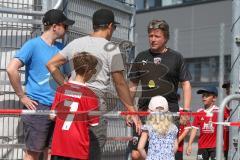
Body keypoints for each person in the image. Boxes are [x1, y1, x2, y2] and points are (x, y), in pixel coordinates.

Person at [46, 8, 141, 159]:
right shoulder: (112, 49)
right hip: (93, 103)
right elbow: (120, 83)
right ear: (110, 26)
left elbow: (51, 64)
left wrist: (65, 85)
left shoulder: (76, 43)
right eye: (114, 27)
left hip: (69, 102)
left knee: (66, 150)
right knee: (91, 151)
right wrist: (131, 109)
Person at [6, 9, 74, 160]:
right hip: (38, 107)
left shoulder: (61, 49)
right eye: (65, 26)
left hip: (58, 106)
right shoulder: (33, 45)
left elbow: (68, 78)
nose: (67, 29)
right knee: (33, 153)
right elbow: (11, 69)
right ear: (55, 26)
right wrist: (22, 96)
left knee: (52, 151)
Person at [128, 19, 192, 159]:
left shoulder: (176, 57)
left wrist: (186, 111)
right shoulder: (141, 56)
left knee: (167, 152)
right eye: (150, 36)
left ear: (166, 38)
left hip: (168, 114)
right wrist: (130, 111)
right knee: (136, 153)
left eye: (157, 36)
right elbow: (132, 85)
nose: (153, 39)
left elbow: (186, 84)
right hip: (145, 112)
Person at [51, 52, 99, 160]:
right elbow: (94, 123)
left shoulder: (61, 90)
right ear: (89, 71)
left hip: (59, 145)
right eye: (94, 71)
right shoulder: (91, 96)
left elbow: (52, 116)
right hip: (78, 147)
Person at [137, 95, 178, 160]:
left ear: (150, 111)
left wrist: (147, 158)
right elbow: (175, 147)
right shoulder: (173, 128)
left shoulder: (148, 127)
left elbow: (140, 147)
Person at [186, 86, 220, 160]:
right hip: (202, 146)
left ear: (214, 98)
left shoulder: (219, 111)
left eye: (207, 95)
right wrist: (189, 145)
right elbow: (194, 129)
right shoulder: (199, 112)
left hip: (215, 146)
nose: (204, 97)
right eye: (203, 95)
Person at [175, 92, 191, 160]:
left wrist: (176, 142)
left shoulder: (183, 111)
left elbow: (187, 129)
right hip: (165, 148)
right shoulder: (166, 111)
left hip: (178, 148)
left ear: (179, 98)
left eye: (176, 97)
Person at [222, 81, 231, 160]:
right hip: (226, 145)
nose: (227, 90)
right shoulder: (224, 106)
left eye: (229, 87)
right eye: (226, 88)